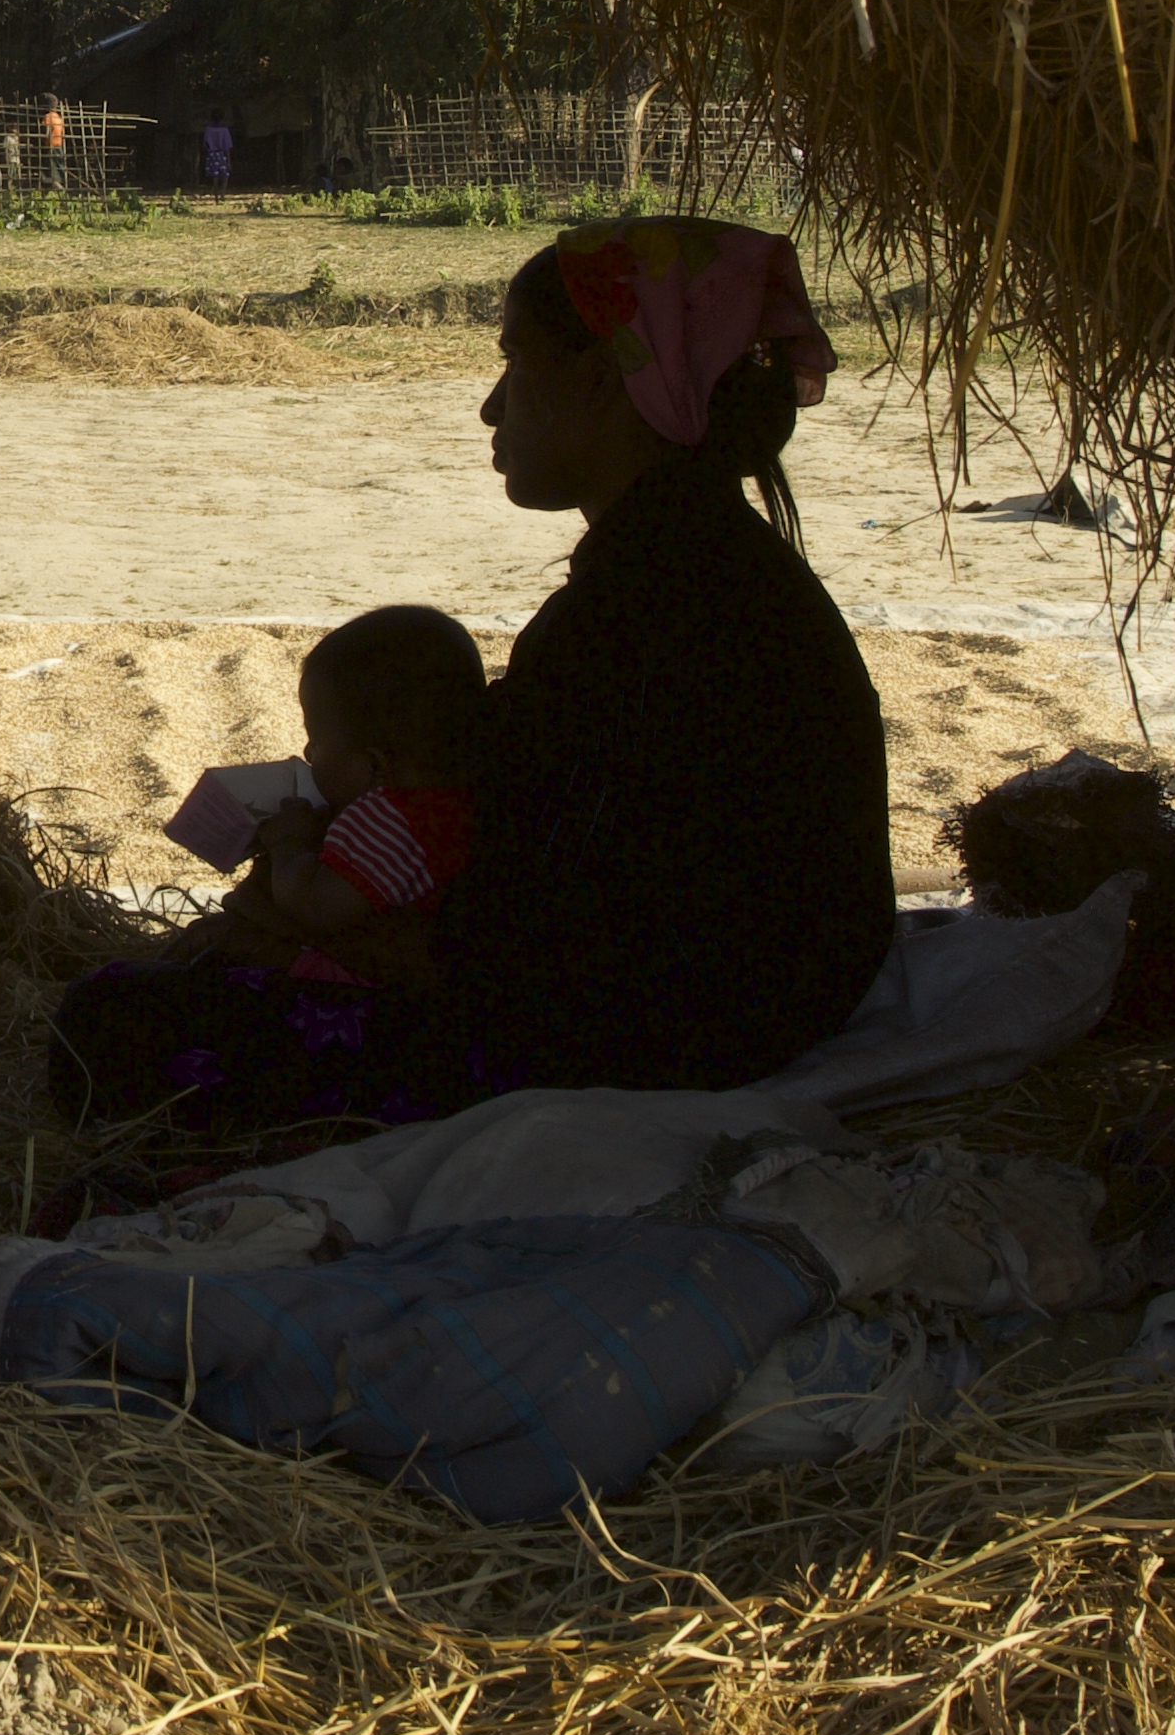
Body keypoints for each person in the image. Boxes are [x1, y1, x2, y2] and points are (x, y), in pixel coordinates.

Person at [52, 218, 895, 1143]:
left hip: (668, 1047)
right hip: (752, 1010)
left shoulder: (635, 620)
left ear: (602, 380)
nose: (493, 409)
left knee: (111, 1027)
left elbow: (526, 956)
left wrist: (307, 927)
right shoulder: (708, 568)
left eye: (515, 364)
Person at [221, 603, 486, 977]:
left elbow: (316, 906)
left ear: (375, 766)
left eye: (316, 740)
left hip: (364, 996)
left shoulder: (390, 816)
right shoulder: (458, 800)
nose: (309, 753)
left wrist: (289, 845)